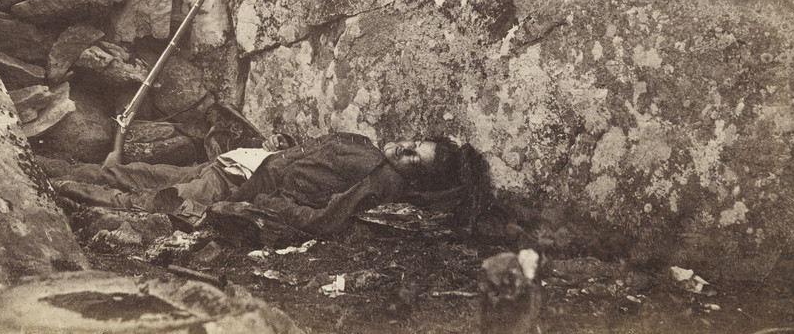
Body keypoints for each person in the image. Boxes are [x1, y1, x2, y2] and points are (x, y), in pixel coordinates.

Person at [46, 131, 490, 242]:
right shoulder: (367, 146)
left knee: (135, 199)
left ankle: (46, 186)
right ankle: (31, 164)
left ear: (416, 177)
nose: (405, 148)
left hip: (232, 188)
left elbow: (326, 220)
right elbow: (313, 163)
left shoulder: (381, 178)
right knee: (130, 171)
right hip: (233, 165)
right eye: (415, 142)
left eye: (415, 158)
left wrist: (269, 202)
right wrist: (285, 145)